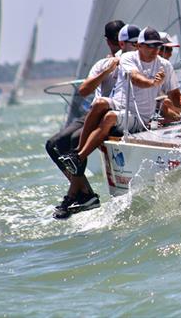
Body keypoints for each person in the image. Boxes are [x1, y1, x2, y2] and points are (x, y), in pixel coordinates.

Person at [60, 27, 181, 175]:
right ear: (138, 46)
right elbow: (135, 78)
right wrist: (153, 83)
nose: (155, 49)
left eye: (157, 45)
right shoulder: (128, 58)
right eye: (150, 46)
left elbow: (175, 96)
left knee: (109, 117)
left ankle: (79, 157)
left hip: (138, 117)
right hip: (120, 105)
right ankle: (77, 153)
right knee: (99, 102)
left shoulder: (165, 65)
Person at [44, 19, 124, 220]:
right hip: (93, 113)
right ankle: (85, 192)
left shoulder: (132, 59)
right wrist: (107, 69)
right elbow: (84, 90)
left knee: (72, 142)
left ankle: (74, 195)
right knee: (53, 144)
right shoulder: (103, 63)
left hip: (111, 113)